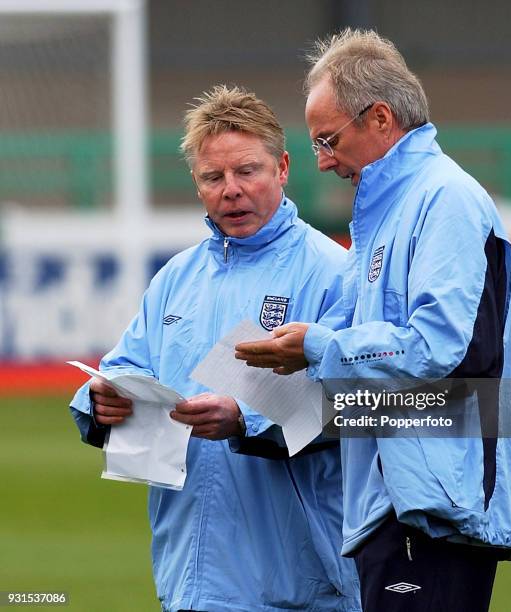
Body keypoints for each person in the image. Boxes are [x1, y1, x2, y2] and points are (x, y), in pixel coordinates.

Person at [235, 29, 511, 612]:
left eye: (327, 140)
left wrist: (319, 346)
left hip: (432, 508)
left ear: (379, 118)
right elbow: (344, 351)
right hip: (392, 505)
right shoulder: (386, 212)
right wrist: (244, 415)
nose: (323, 161)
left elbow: (447, 353)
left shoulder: (446, 198)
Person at [69, 85, 360, 612]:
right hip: (188, 579)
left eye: (247, 171)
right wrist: (99, 403)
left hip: (301, 585)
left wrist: (246, 418)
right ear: (197, 184)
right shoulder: (176, 277)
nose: (231, 190)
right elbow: (124, 368)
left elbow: (362, 408)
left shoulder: (335, 273)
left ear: (284, 167)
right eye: (213, 177)